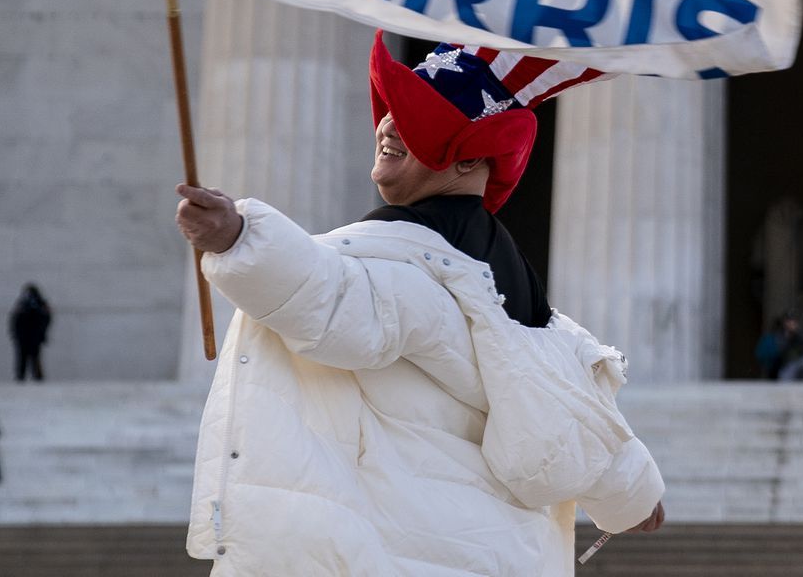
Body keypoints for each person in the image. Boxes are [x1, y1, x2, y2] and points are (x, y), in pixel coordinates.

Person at [173, 36, 665, 574]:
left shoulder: (410, 266)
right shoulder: (515, 291)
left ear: (472, 158)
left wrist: (239, 238)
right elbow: (568, 401)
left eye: (415, 119)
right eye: (391, 110)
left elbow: (337, 304)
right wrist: (634, 497)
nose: (386, 126)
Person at [8, 284, 52, 383]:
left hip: (35, 336)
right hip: (23, 336)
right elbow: (15, 320)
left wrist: (42, 333)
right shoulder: (21, 304)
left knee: (34, 357)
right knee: (22, 357)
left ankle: (37, 376)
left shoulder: (41, 304)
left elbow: (46, 319)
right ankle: (20, 376)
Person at [773, 314, 803, 382]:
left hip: (800, 360)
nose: (791, 324)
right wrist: (788, 336)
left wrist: (796, 334)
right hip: (787, 363)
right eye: (789, 322)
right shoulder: (780, 335)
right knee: (784, 380)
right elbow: (782, 350)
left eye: (793, 322)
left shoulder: (800, 334)